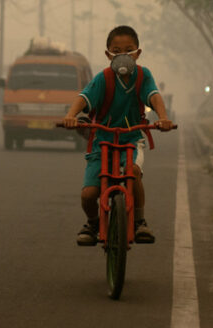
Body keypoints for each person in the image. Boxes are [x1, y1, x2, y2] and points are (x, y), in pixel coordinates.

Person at [62, 25, 174, 246]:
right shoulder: (103, 78)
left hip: (132, 139)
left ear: (138, 53)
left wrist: (163, 117)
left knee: (133, 173)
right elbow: (83, 98)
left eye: (129, 50)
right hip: (101, 142)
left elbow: (154, 97)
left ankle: (140, 221)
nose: (123, 55)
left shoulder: (143, 75)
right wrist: (70, 115)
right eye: (116, 50)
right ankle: (92, 223)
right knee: (88, 194)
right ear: (108, 55)